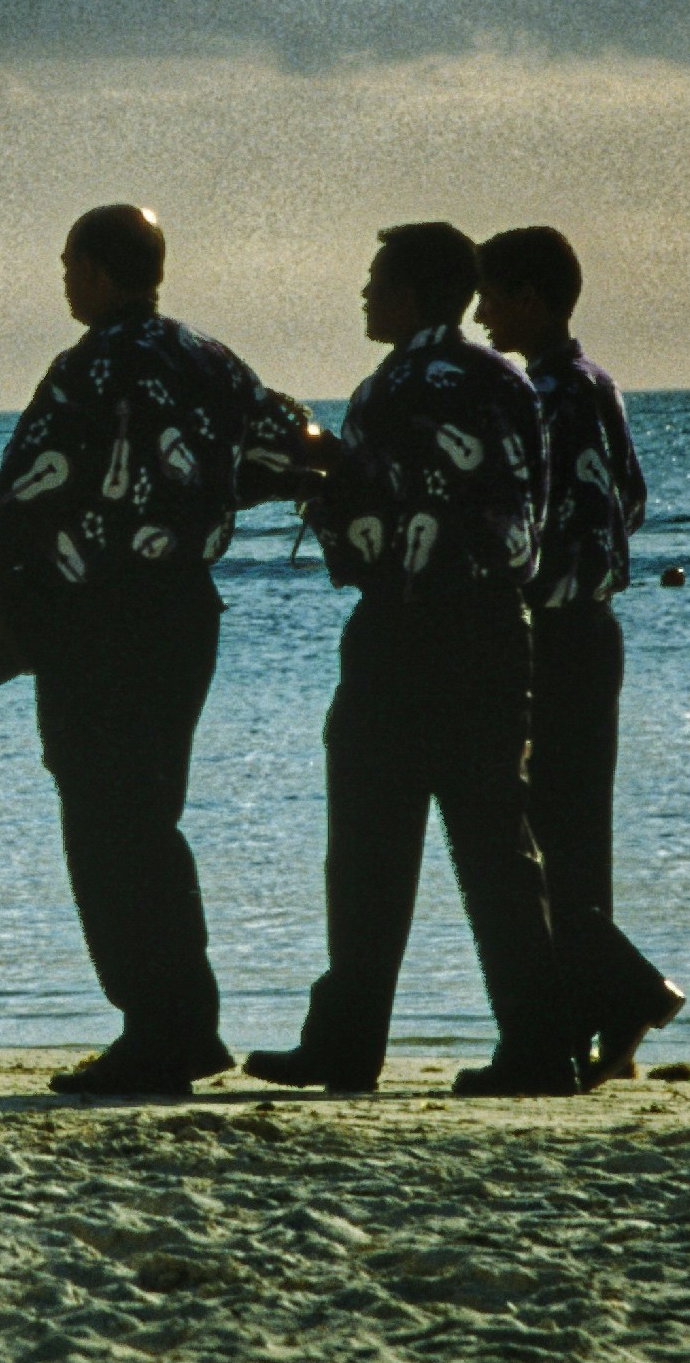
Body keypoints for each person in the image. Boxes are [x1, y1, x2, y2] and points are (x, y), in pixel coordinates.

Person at [0, 204, 317, 1099]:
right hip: (184, 611)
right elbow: (293, 446)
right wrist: (216, 496)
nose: (61, 276)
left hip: (96, 619)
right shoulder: (207, 358)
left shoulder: (85, 368)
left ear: (95, 269)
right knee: (151, 814)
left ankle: (156, 1026)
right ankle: (184, 1020)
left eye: (67, 260)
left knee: (99, 817)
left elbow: (16, 494)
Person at [242, 221, 580, 1099]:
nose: (361, 293)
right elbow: (522, 511)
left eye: (372, 278)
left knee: (367, 848)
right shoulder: (507, 382)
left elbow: (366, 537)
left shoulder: (385, 389)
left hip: (401, 631)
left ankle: (347, 1043)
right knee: (495, 847)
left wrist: (318, 472)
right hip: (496, 629)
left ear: (405, 294)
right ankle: (541, 1044)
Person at [478, 225, 684, 1083]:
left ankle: (626, 994)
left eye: (491, 295)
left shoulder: (534, 394)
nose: (480, 313)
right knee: (578, 836)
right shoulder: (598, 385)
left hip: (551, 631)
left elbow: (522, 512)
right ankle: (608, 1031)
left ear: (530, 297)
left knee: (527, 835)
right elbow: (628, 499)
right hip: (599, 628)